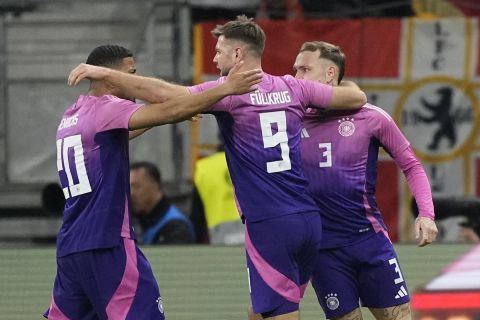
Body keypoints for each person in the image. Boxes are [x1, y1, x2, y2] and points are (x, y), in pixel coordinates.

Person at [67, 16, 367, 320]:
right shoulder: (293, 87)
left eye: (219, 51)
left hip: (269, 224)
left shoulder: (230, 92)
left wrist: (106, 75)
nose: (214, 57)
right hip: (307, 219)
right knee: (261, 310)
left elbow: (167, 97)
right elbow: (356, 96)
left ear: (237, 55)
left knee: (280, 313)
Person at [44, 44, 262, 319]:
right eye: (130, 74)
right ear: (110, 77)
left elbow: (123, 132)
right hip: (107, 243)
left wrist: (181, 110)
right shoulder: (107, 109)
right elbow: (168, 112)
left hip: (71, 248)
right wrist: (224, 88)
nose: (134, 81)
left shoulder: (72, 117)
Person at [293, 41, 438, 320]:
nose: (296, 77)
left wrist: (427, 214)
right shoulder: (291, 119)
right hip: (323, 250)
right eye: (295, 69)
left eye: (305, 69)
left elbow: (411, 165)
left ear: (330, 73)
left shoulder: (371, 117)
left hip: (368, 241)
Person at [190, 140, 244, 245]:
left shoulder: (205, 169)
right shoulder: (252, 162)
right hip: (256, 241)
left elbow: (197, 218)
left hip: (219, 246)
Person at [130, 161, 195, 244]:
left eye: (137, 187)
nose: (131, 193)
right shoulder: (139, 220)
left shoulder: (176, 227)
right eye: (129, 188)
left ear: (155, 186)